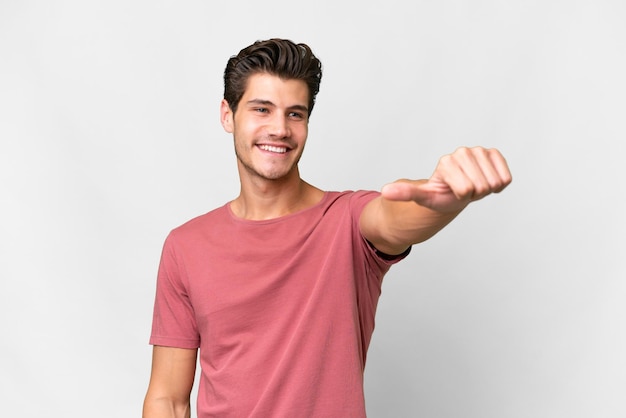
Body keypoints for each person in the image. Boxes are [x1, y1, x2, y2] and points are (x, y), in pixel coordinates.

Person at [142, 38, 512, 418]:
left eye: (295, 114)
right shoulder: (185, 246)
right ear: (227, 114)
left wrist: (446, 201)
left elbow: (394, 220)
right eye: (261, 109)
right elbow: (167, 399)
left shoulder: (347, 220)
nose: (279, 129)